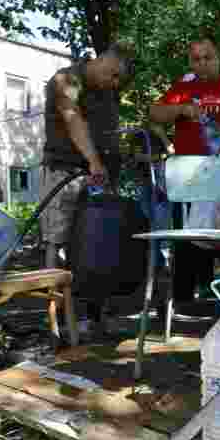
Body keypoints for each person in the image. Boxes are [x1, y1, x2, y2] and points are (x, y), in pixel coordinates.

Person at [40, 39, 135, 336]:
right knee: (58, 243)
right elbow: (73, 120)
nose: (115, 82)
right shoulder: (66, 79)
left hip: (101, 177)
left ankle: (96, 318)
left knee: (100, 244)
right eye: (113, 73)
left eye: (120, 78)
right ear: (102, 59)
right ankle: (55, 323)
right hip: (65, 172)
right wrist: (93, 161)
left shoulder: (109, 91)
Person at [149, 37, 220, 310]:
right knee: (186, 237)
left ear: (219, 57)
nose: (202, 63)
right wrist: (181, 109)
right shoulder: (184, 87)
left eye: (208, 57)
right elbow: (155, 114)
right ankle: (183, 301)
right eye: (196, 59)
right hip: (189, 179)